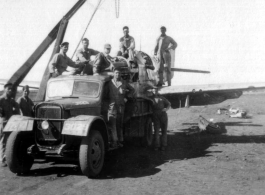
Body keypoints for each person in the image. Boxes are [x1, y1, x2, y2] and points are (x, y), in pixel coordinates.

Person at [107, 68, 135, 147]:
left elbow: (132, 90)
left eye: (119, 73)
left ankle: (120, 141)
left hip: (120, 106)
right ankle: (114, 141)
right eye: (116, 73)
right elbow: (105, 94)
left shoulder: (124, 82)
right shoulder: (109, 83)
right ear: (113, 74)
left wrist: (126, 98)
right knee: (112, 124)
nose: (117, 75)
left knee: (119, 124)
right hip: (112, 106)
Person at [0, 83, 20, 167]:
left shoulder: (11, 100)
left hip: (10, 122)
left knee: (9, 140)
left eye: (11, 89)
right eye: (9, 89)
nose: (10, 90)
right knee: (3, 140)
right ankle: (2, 159)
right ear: (5, 89)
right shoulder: (1, 99)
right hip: (4, 122)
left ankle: (8, 158)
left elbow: (17, 106)